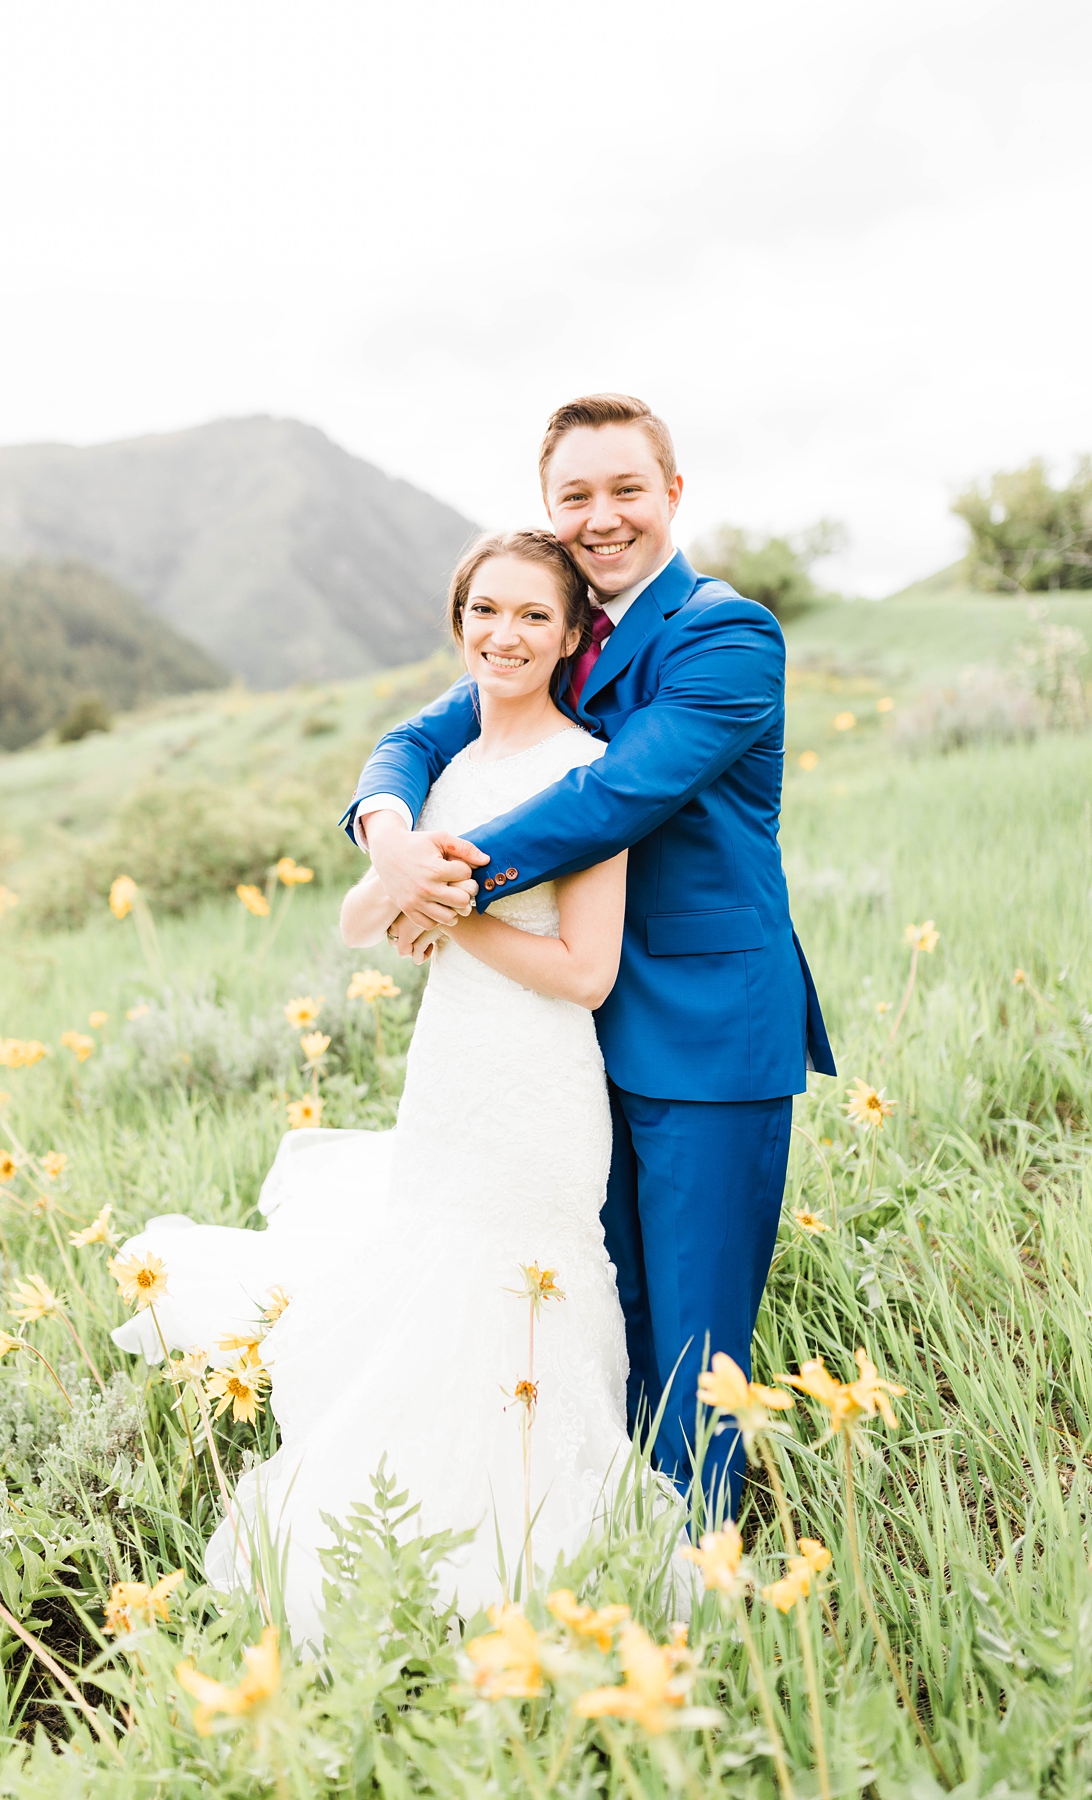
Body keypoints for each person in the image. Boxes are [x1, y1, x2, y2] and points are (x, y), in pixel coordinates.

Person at [112, 529, 662, 1636]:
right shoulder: (442, 773)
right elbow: (360, 920)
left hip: (539, 1086)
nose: (505, 635)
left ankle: (535, 1540)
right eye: (486, 611)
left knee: (522, 1288)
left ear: (569, 637)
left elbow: (587, 972)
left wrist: (453, 924)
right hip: (448, 1075)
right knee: (429, 1277)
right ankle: (399, 1511)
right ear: (460, 619)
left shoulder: (589, 776)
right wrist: (399, 871)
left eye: (533, 618)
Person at [348, 393, 835, 1515]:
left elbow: (618, 793)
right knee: (603, 1320)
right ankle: (608, 1537)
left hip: (706, 1025)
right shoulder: (556, 625)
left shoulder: (725, 633)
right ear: (548, 508)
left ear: (672, 494)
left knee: (699, 1339)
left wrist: (448, 882)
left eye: (626, 489)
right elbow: (415, 739)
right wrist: (389, 840)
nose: (602, 516)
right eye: (576, 495)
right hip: (566, 1044)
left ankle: (700, 1575)